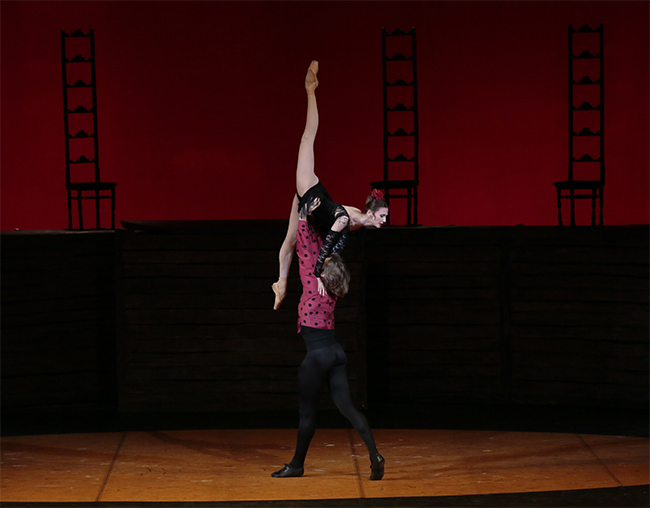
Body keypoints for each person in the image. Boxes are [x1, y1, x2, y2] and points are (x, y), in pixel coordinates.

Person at [271, 211, 385, 481]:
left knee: (308, 412)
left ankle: (297, 465)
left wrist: (303, 215)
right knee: (348, 408)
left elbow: (306, 247)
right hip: (336, 354)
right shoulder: (333, 289)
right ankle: (375, 455)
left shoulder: (314, 283)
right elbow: (327, 255)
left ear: (321, 274)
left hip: (318, 357)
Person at [272, 60, 389, 311]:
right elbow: (328, 242)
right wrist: (316, 274)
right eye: (382, 216)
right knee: (307, 137)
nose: (384, 221)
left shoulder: (357, 220)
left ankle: (281, 284)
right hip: (311, 192)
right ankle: (311, 90)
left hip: (315, 208)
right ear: (371, 212)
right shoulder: (348, 220)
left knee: (289, 243)